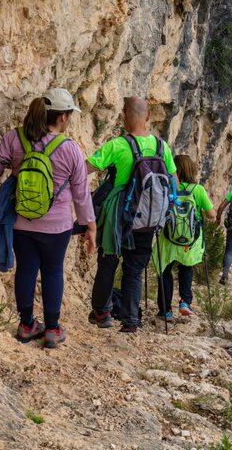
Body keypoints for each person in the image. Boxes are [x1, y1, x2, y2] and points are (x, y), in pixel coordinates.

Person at [0, 88, 96, 348]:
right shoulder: (70, 149)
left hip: (22, 221)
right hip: (57, 226)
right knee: (53, 271)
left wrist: (10, 165)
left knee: (26, 269)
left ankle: (26, 325)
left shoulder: (16, 138)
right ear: (63, 118)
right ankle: (52, 329)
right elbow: (81, 194)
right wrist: (90, 226)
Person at [87, 96, 179, 334]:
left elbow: (86, 168)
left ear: (125, 116)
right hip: (148, 218)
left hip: (118, 214)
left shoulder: (118, 145)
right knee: (135, 269)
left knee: (108, 261)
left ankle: (102, 312)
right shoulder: (162, 147)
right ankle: (130, 320)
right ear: (147, 116)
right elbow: (173, 181)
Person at [154, 155, 215, 321]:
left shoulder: (167, 189)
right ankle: (185, 302)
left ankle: (165, 310)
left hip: (168, 238)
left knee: (165, 271)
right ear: (191, 170)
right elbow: (212, 215)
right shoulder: (197, 190)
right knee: (186, 267)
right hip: (190, 241)